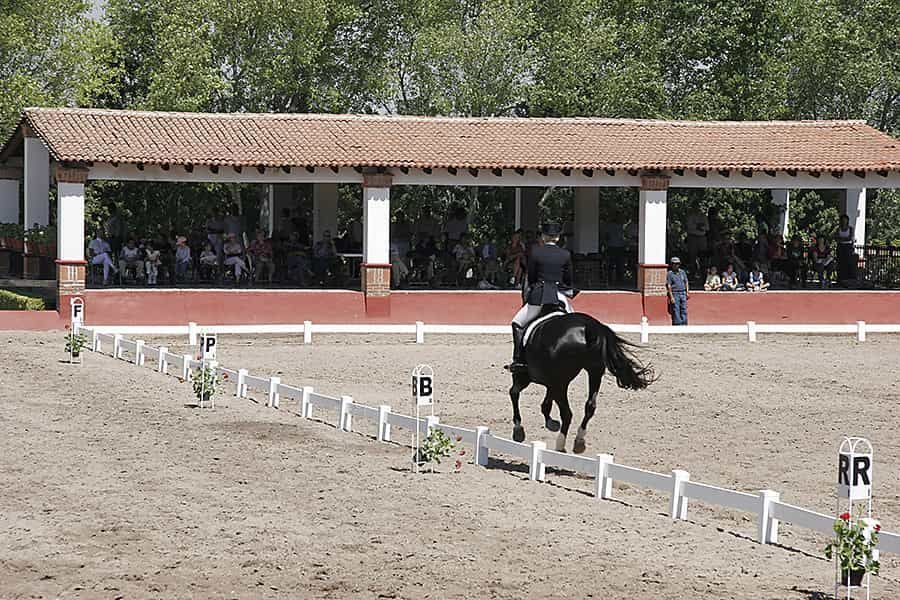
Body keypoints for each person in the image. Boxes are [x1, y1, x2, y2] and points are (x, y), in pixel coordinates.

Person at [509, 223, 574, 372]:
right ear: (558, 238)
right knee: (572, 322)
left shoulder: (535, 253)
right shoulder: (565, 254)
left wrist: (534, 287)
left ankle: (519, 360)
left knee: (517, 323)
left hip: (540, 295)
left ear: (543, 237)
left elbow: (531, 277)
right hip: (559, 296)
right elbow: (569, 280)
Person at [666, 256, 689, 325]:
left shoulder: (682, 272)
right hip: (675, 293)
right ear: (672, 264)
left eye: (677, 264)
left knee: (684, 308)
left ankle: (684, 322)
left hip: (683, 292)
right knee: (676, 309)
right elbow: (669, 285)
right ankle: (677, 323)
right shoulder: (670, 274)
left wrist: (687, 292)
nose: (676, 265)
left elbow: (686, 282)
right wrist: (671, 296)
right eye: (674, 264)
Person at [836, 214, 855, 281]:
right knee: (841, 263)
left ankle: (849, 278)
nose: (844, 221)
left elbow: (850, 238)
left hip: (848, 247)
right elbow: (837, 238)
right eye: (843, 220)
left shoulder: (850, 228)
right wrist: (844, 239)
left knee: (848, 262)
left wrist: (843, 239)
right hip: (840, 247)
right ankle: (840, 278)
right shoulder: (838, 229)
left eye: (845, 220)